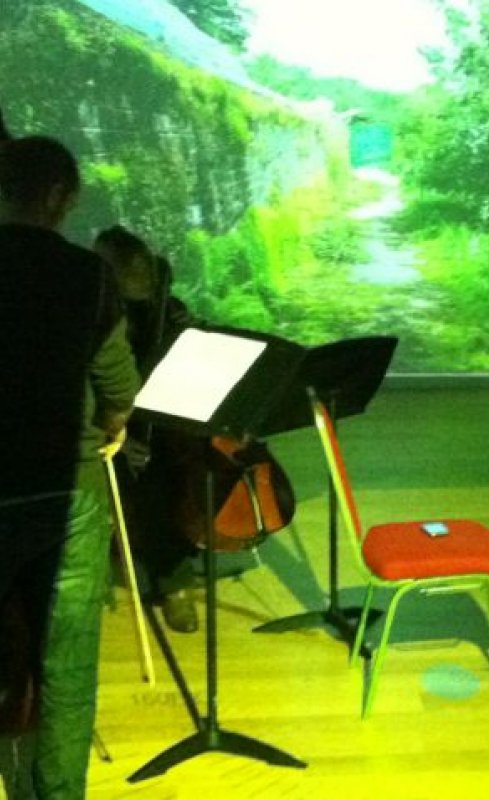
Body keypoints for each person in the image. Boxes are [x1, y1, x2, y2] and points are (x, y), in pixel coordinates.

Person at [0, 137, 139, 798]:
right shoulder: (89, 276)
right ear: (57, 196)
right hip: (67, 492)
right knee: (66, 667)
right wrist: (111, 427)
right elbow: (118, 389)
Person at [93, 225, 201, 633]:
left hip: (164, 425)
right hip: (105, 426)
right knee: (140, 480)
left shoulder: (169, 308)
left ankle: (175, 571)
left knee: (163, 477)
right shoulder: (92, 311)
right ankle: (164, 579)